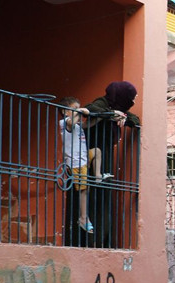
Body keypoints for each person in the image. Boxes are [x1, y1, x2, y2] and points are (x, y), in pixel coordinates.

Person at [84, 81, 141, 247]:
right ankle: (90, 240)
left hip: (106, 157)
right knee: (93, 196)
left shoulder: (120, 108)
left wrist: (122, 115)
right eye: (132, 98)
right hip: (92, 155)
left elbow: (134, 119)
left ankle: (102, 239)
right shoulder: (102, 102)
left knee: (105, 198)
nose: (133, 102)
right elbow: (90, 109)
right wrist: (110, 113)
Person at [59, 97, 103, 235]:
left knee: (96, 152)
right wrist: (81, 111)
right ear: (65, 112)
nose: (78, 111)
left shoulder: (77, 125)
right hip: (75, 162)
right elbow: (72, 122)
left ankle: (97, 176)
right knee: (83, 189)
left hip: (83, 158)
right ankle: (83, 218)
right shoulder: (65, 122)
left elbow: (87, 125)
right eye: (74, 109)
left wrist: (100, 116)